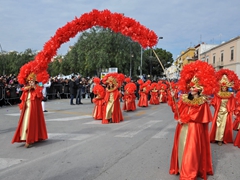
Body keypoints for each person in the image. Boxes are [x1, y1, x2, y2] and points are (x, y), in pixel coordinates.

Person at [168, 60, 216, 180]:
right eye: (191, 84)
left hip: (194, 129)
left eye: (196, 84)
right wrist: (173, 99)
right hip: (183, 127)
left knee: (192, 150)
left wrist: (184, 119)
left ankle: (189, 172)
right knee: (182, 147)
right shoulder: (185, 98)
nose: (193, 87)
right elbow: (177, 109)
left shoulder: (202, 102)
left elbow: (197, 116)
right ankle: (181, 167)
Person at [12, 72, 48, 148]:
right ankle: (25, 137)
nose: (30, 82)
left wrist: (35, 86)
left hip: (34, 107)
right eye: (29, 81)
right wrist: (29, 87)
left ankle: (30, 139)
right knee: (25, 122)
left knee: (31, 122)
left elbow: (41, 91)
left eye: (32, 81)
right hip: (27, 107)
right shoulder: (27, 87)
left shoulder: (39, 85)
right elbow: (23, 88)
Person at [209, 69, 239, 146]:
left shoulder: (230, 95)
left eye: (225, 87)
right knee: (218, 125)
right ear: (220, 87)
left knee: (224, 126)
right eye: (222, 87)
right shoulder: (217, 94)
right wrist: (210, 102)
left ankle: (222, 139)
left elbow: (233, 104)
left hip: (226, 113)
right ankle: (217, 138)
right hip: (218, 112)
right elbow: (213, 102)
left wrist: (233, 112)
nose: (224, 88)